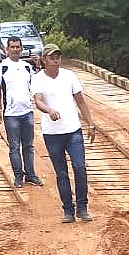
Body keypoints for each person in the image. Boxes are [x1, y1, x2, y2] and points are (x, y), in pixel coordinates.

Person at [31, 44, 97, 223]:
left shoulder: (70, 76)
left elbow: (81, 102)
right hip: (52, 134)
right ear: (44, 60)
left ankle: (82, 207)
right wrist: (49, 110)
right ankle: (68, 209)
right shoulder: (38, 79)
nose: (56, 60)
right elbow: (38, 101)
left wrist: (90, 123)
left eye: (58, 57)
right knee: (61, 172)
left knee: (80, 167)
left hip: (73, 130)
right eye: (52, 57)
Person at [0, 37, 44, 188]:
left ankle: (31, 174)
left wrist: (38, 64)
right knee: (14, 146)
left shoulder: (27, 67)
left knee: (28, 145)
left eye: (17, 47)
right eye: (12, 47)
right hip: (11, 113)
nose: (15, 49)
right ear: (7, 49)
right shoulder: (2, 67)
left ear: (21, 49)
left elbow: (38, 83)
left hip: (27, 111)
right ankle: (18, 176)